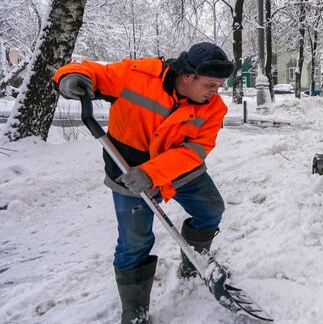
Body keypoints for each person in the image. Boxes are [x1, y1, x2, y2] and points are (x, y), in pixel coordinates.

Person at [52, 42, 234, 324]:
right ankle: (134, 314)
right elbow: (92, 72)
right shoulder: (137, 75)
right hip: (127, 168)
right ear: (189, 76)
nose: (216, 92)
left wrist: (153, 173)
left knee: (211, 209)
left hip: (177, 168)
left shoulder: (213, 108)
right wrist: (71, 77)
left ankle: (193, 264)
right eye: (211, 84)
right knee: (135, 242)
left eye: (219, 85)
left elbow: (194, 151)